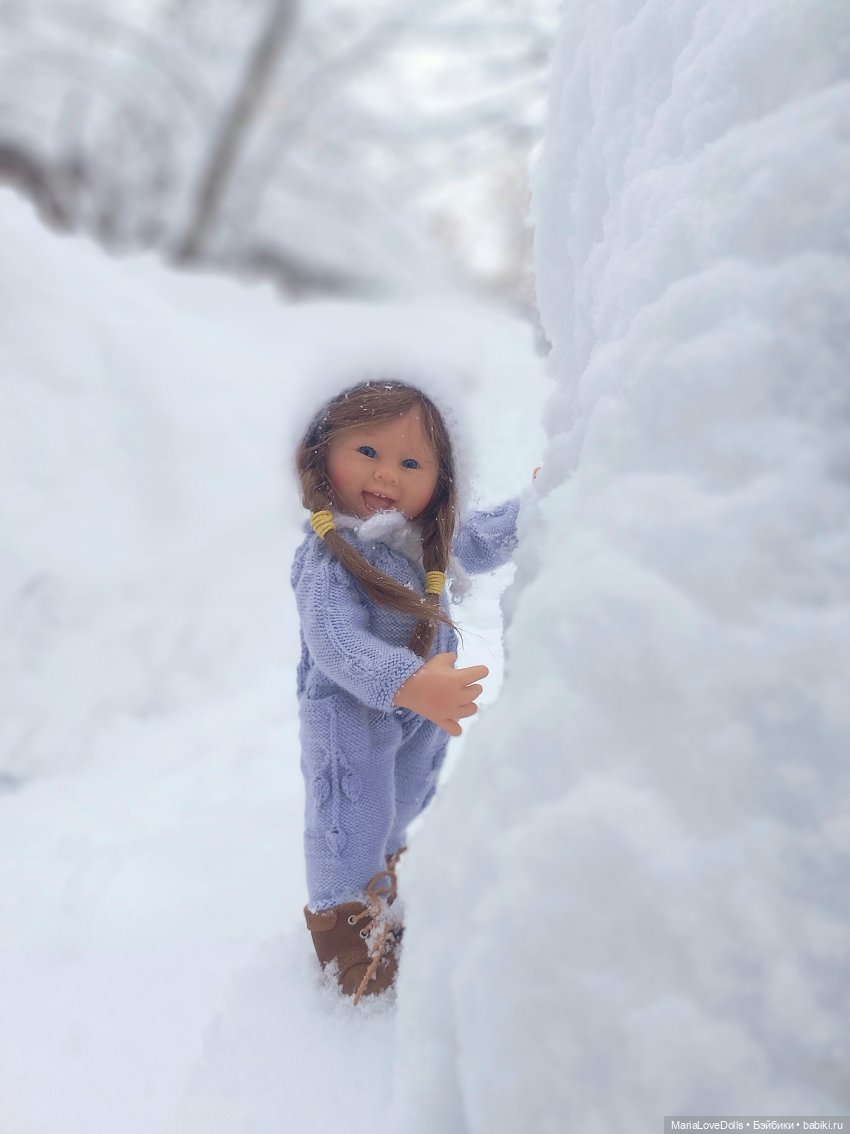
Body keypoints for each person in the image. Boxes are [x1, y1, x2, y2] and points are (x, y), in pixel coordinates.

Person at [291, 379, 520, 1003]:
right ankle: (344, 932)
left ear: (440, 482)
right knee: (351, 818)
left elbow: (487, 537)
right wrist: (407, 681)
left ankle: (382, 879)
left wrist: (545, 497)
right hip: (351, 717)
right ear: (322, 455)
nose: (387, 475)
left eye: (411, 463)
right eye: (367, 452)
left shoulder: (426, 539)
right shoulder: (330, 557)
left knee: (403, 798)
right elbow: (334, 640)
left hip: (417, 712)